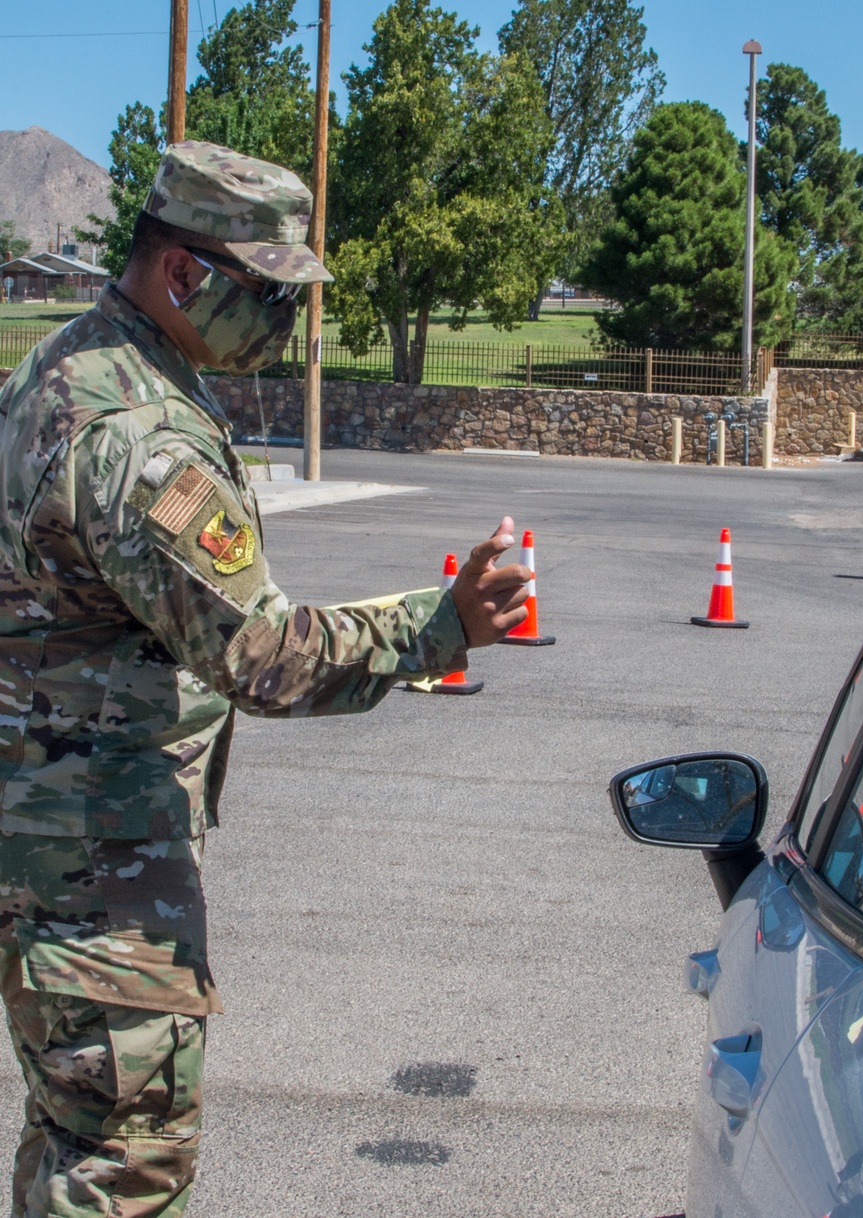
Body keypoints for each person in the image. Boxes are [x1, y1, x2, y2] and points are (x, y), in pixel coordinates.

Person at [0, 141, 530, 1218]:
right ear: (186, 275)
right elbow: (264, 655)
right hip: (96, 868)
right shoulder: (145, 437)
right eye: (272, 296)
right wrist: (442, 625)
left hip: (41, 827)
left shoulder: (65, 364)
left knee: (70, 1150)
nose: (291, 326)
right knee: (123, 1172)